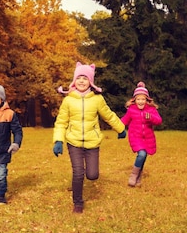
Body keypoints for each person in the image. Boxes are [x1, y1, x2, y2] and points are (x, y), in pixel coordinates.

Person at [52, 62, 126, 213]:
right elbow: (61, 122)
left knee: (92, 175)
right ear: (74, 80)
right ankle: (77, 203)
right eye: (78, 77)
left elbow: (109, 115)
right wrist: (58, 140)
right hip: (74, 141)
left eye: (85, 78)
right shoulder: (68, 100)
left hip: (92, 142)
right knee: (78, 172)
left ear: (90, 81)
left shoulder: (97, 99)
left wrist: (120, 128)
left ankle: (86, 182)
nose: (81, 81)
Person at [120, 82, 163, 187]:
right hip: (135, 137)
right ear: (134, 100)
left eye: (143, 99)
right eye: (138, 99)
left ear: (147, 100)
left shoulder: (151, 110)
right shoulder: (131, 110)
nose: (140, 101)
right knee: (142, 154)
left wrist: (151, 118)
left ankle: (138, 178)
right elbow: (123, 121)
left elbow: (159, 121)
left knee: (142, 157)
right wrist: (117, 127)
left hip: (148, 138)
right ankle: (133, 175)